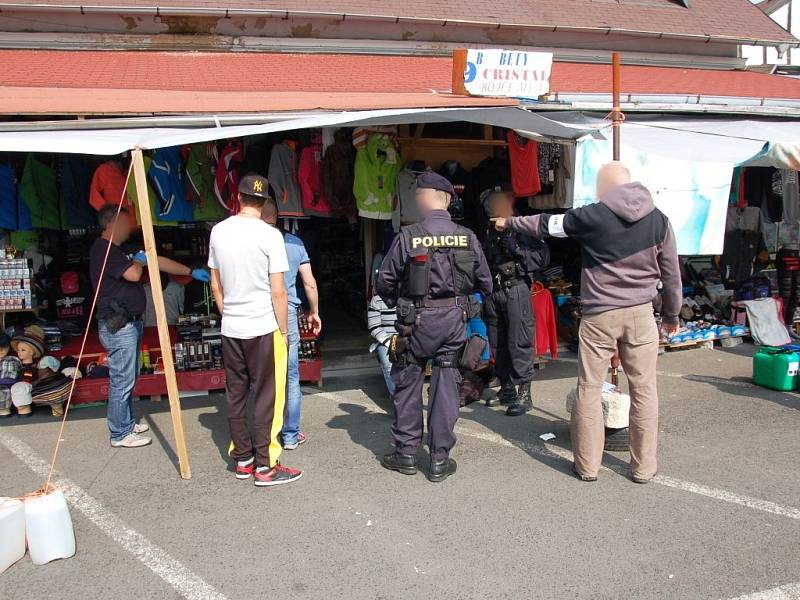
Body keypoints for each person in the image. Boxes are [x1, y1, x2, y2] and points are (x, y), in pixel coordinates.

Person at [492, 162, 681, 484]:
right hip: (640, 314)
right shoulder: (659, 219)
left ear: (606, 186)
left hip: (599, 315)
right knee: (645, 390)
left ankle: (588, 466)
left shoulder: (592, 215)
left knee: (589, 389)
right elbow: (672, 273)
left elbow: (546, 225)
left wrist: (508, 222)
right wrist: (672, 315)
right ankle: (644, 466)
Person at [376, 171, 492, 483]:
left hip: (416, 323)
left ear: (427, 199)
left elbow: (384, 280)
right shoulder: (467, 237)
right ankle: (439, 459)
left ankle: (406, 454)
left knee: (408, 386)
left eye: (418, 196)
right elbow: (486, 281)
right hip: (454, 322)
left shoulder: (409, 236)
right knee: (446, 389)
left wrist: (398, 302)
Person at [208, 174, 302, 487]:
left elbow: (215, 284)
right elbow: (279, 292)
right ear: (264, 204)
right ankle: (266, 465)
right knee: (267, 397)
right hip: (264, 326)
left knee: (235, 394)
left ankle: (243, 459)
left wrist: (229, 313)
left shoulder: (218, 232)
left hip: (231, 325)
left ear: (238, 198)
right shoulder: (270, 235)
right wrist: (284, 329)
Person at [90, 204, 209, 449]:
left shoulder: (121, 249)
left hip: (130, 322)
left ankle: (126, 422)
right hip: (118, 324)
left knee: (129, 376)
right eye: (125, 223)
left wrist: (190, 271)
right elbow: (133, 274)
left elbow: (157, 260)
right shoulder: (103, 249)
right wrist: (138, 261)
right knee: (122, 379)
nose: (130, 228)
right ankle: (120, 432)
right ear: (111, 224)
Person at [482, 187, 550, 416]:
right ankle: (507, 388)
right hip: (495, 291)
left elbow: (542, 258)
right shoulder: (490, 229)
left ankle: (524, 394)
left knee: (518, 341)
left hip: (516, 289)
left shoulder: (523, 226)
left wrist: (518, 249)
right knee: (497, 342)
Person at [261, 198, 322, 451]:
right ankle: (290, 434)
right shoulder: (294, 243)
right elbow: (309, 283)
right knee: (291, 376)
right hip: (288, 314)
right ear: (278, 215)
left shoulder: (250, 243)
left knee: (261, 377)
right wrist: (314, 312)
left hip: (257, 315)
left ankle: (264, 434)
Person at [367, 292, 397, 396]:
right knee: (389, 366)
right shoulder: (377, 300)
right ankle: (396, 398)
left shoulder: (410, 295)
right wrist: (390, 343)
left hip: (408, 338)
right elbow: (374, 327)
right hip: (386, 340)